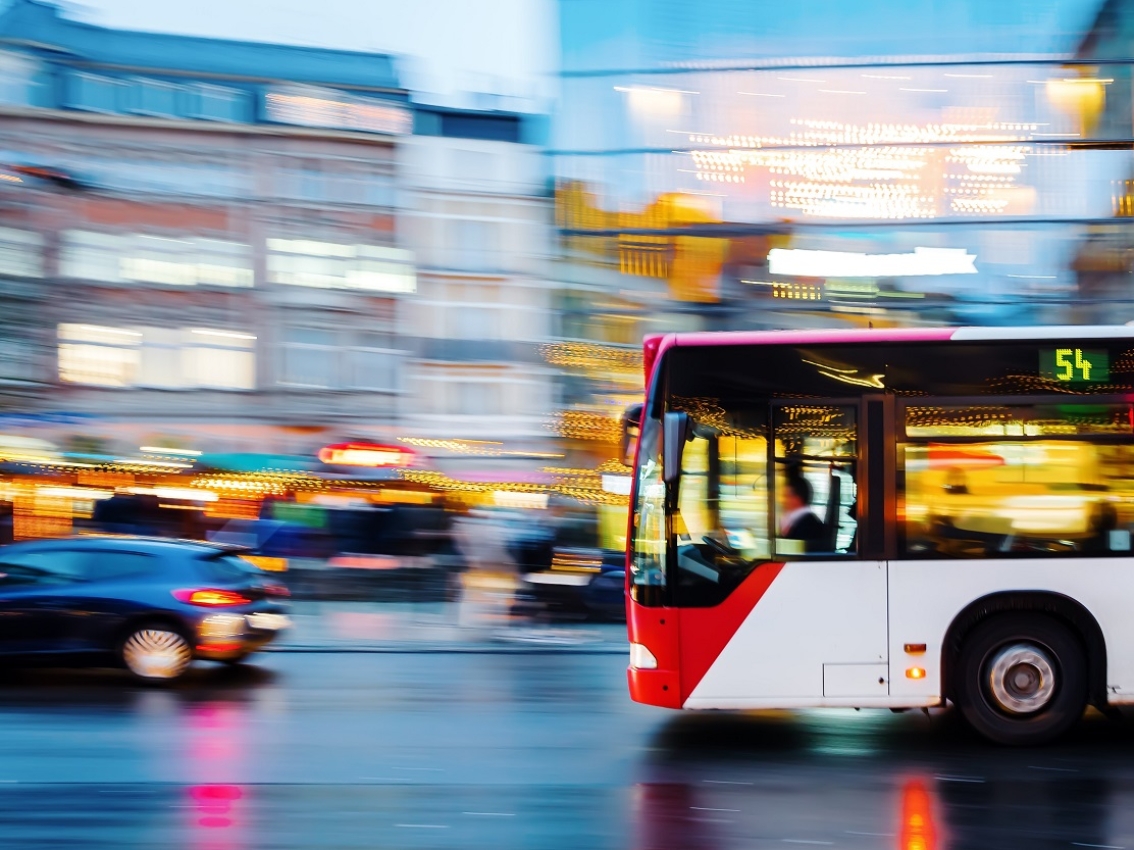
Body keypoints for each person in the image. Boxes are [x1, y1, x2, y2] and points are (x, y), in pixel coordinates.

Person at [779, 474, 826, 553]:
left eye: (786, 496)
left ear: (798, 498)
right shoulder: (793, 520)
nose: (782, 501)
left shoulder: (809, 525)